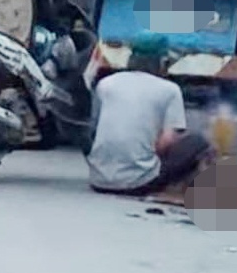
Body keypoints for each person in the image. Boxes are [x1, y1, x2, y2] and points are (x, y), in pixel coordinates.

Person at [85, 32, 217, 198]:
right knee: (198, 141)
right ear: (162, 61)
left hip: (98, 180)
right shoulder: (170, 90)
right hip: (138, 183)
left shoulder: (106, 84)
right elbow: (167, 140)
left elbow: (93, 130)